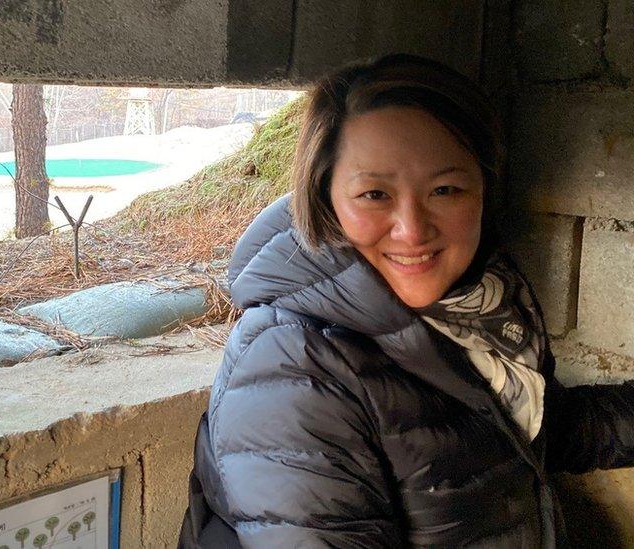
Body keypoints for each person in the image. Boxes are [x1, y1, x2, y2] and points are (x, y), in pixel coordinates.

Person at [177, 53, 634, 548]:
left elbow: (531, 432)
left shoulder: (476, 311)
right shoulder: (296, 366)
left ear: (483, 190)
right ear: (324, 196)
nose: (413, 230)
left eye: (444, 189)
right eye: (374, 194)